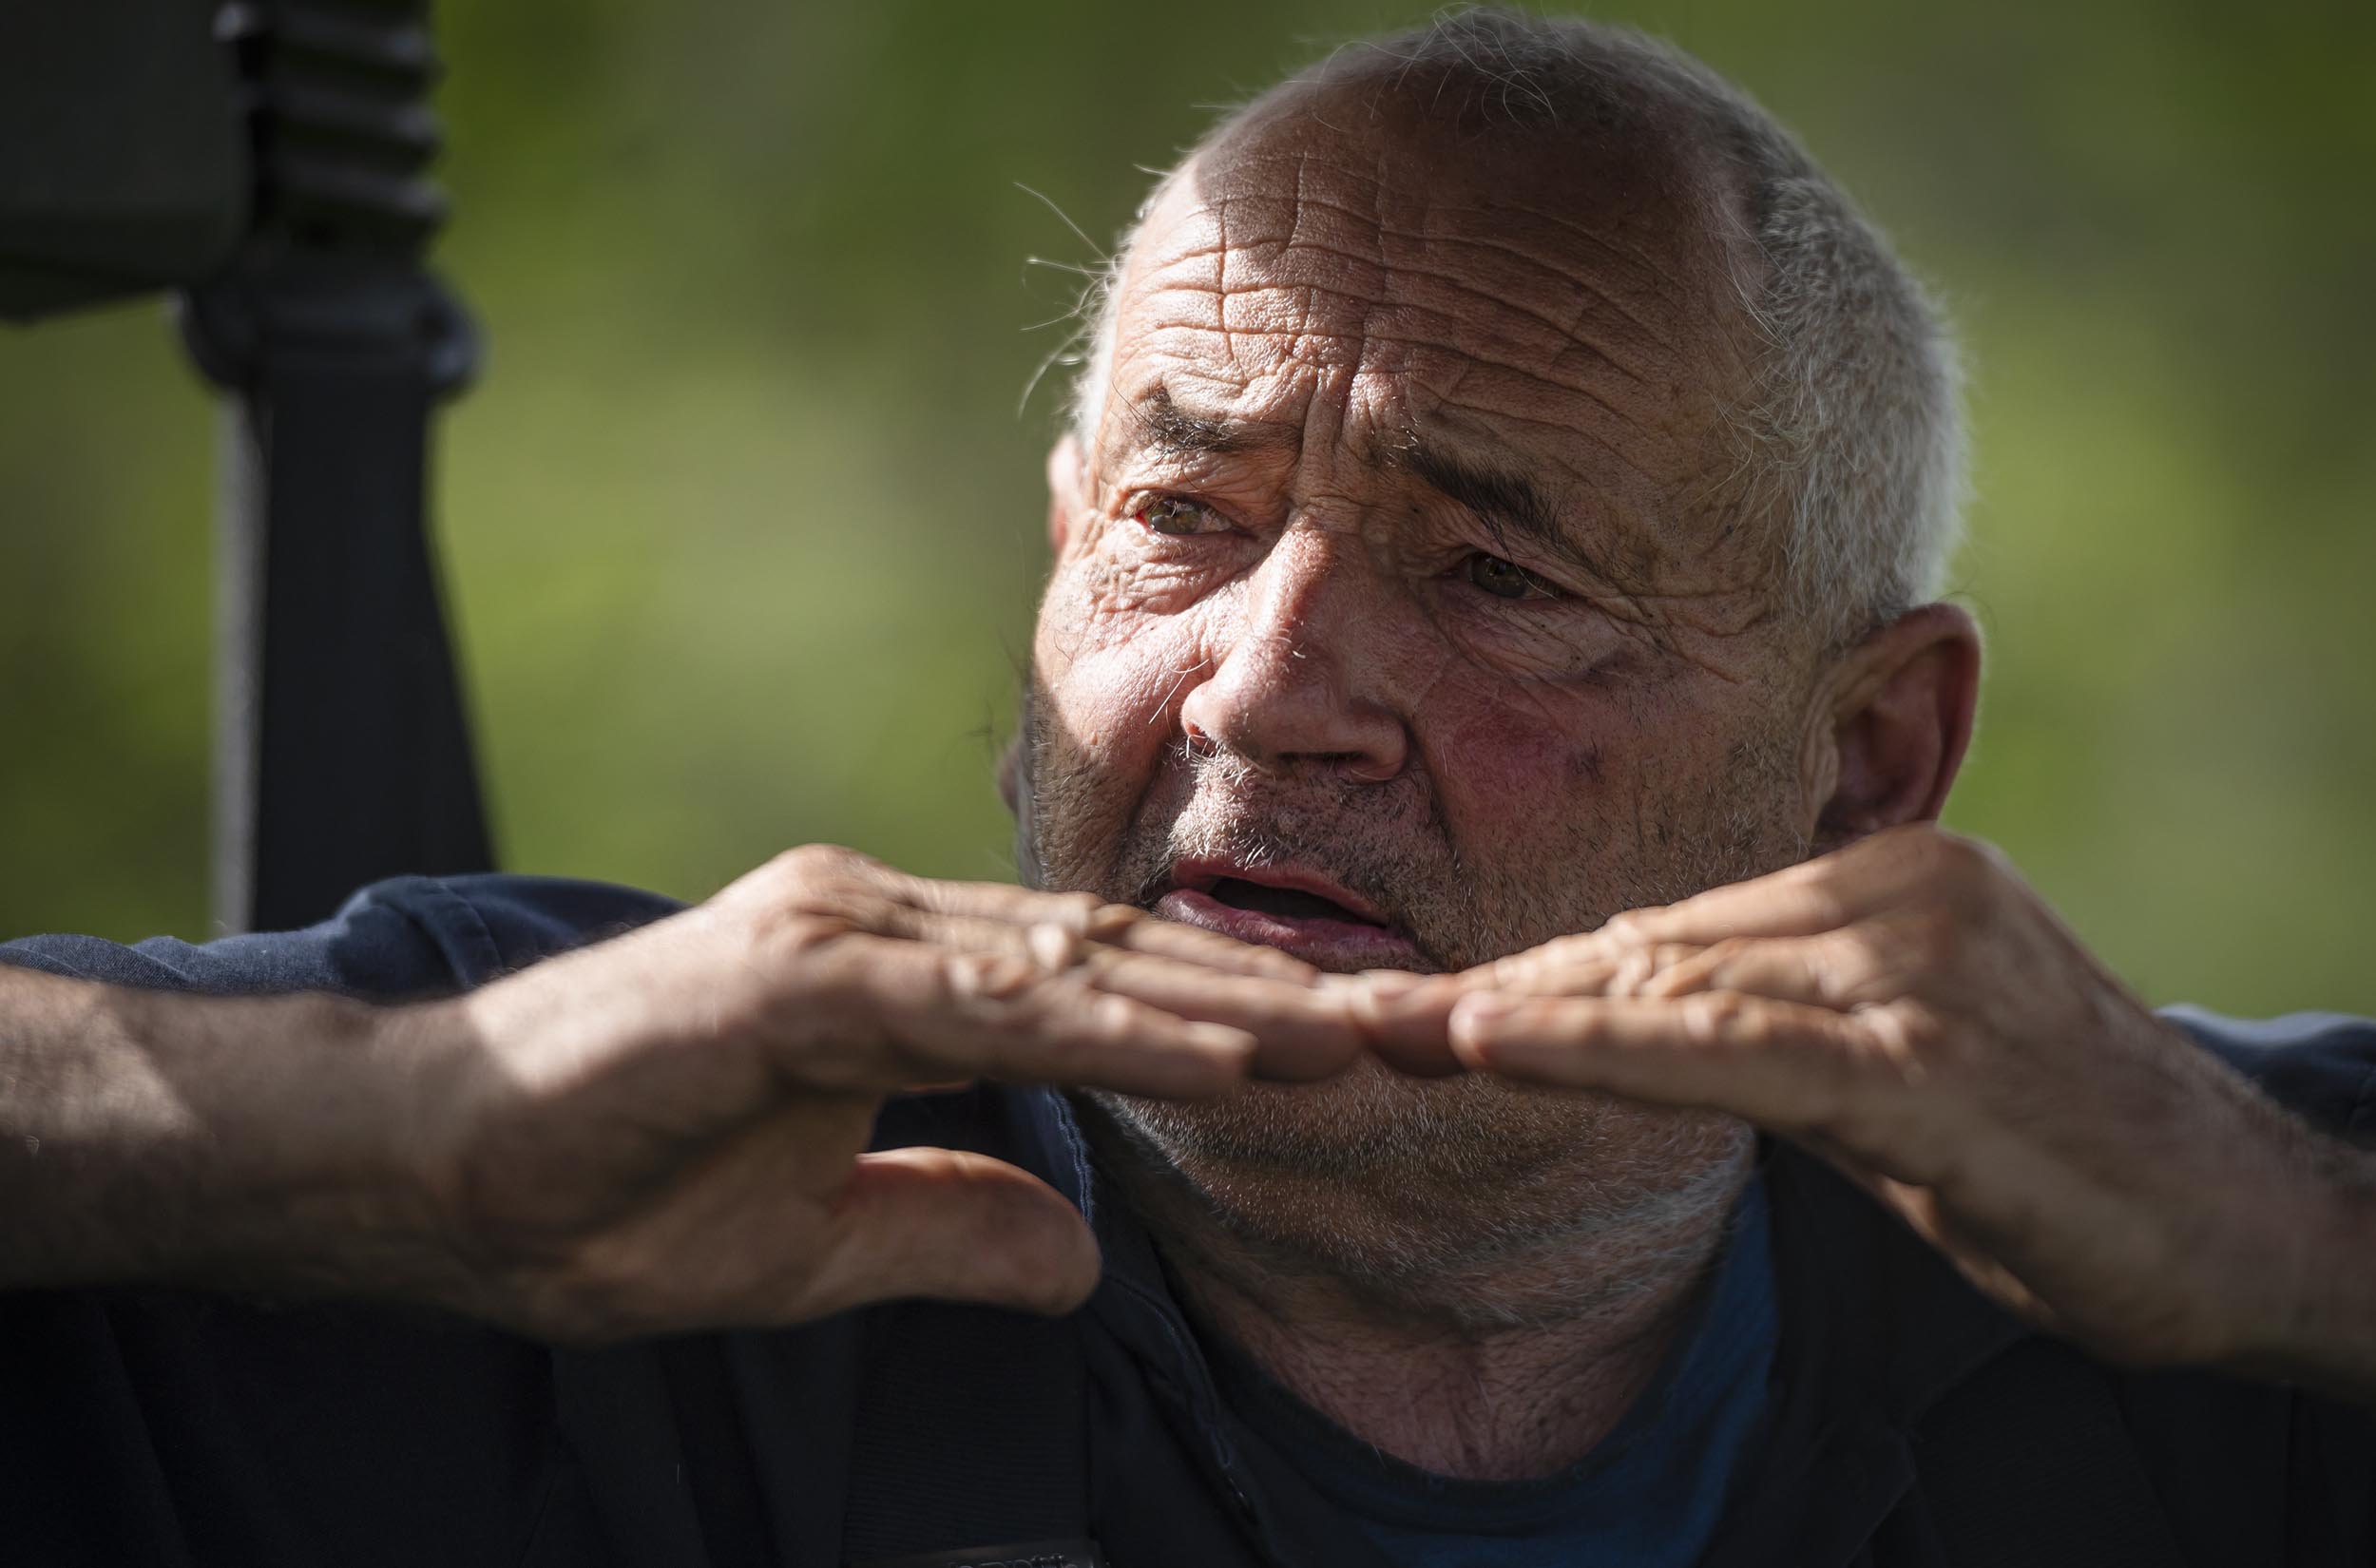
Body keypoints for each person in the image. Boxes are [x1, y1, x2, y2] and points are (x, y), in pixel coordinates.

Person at [3, 10, 2370, 1567]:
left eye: (1491, 568)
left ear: (1865, 758)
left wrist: (2299, 1257)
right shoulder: (624, 1118)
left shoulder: (2183, 1235)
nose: (1258, 692)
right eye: (1182, 522)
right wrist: (366, 1124)